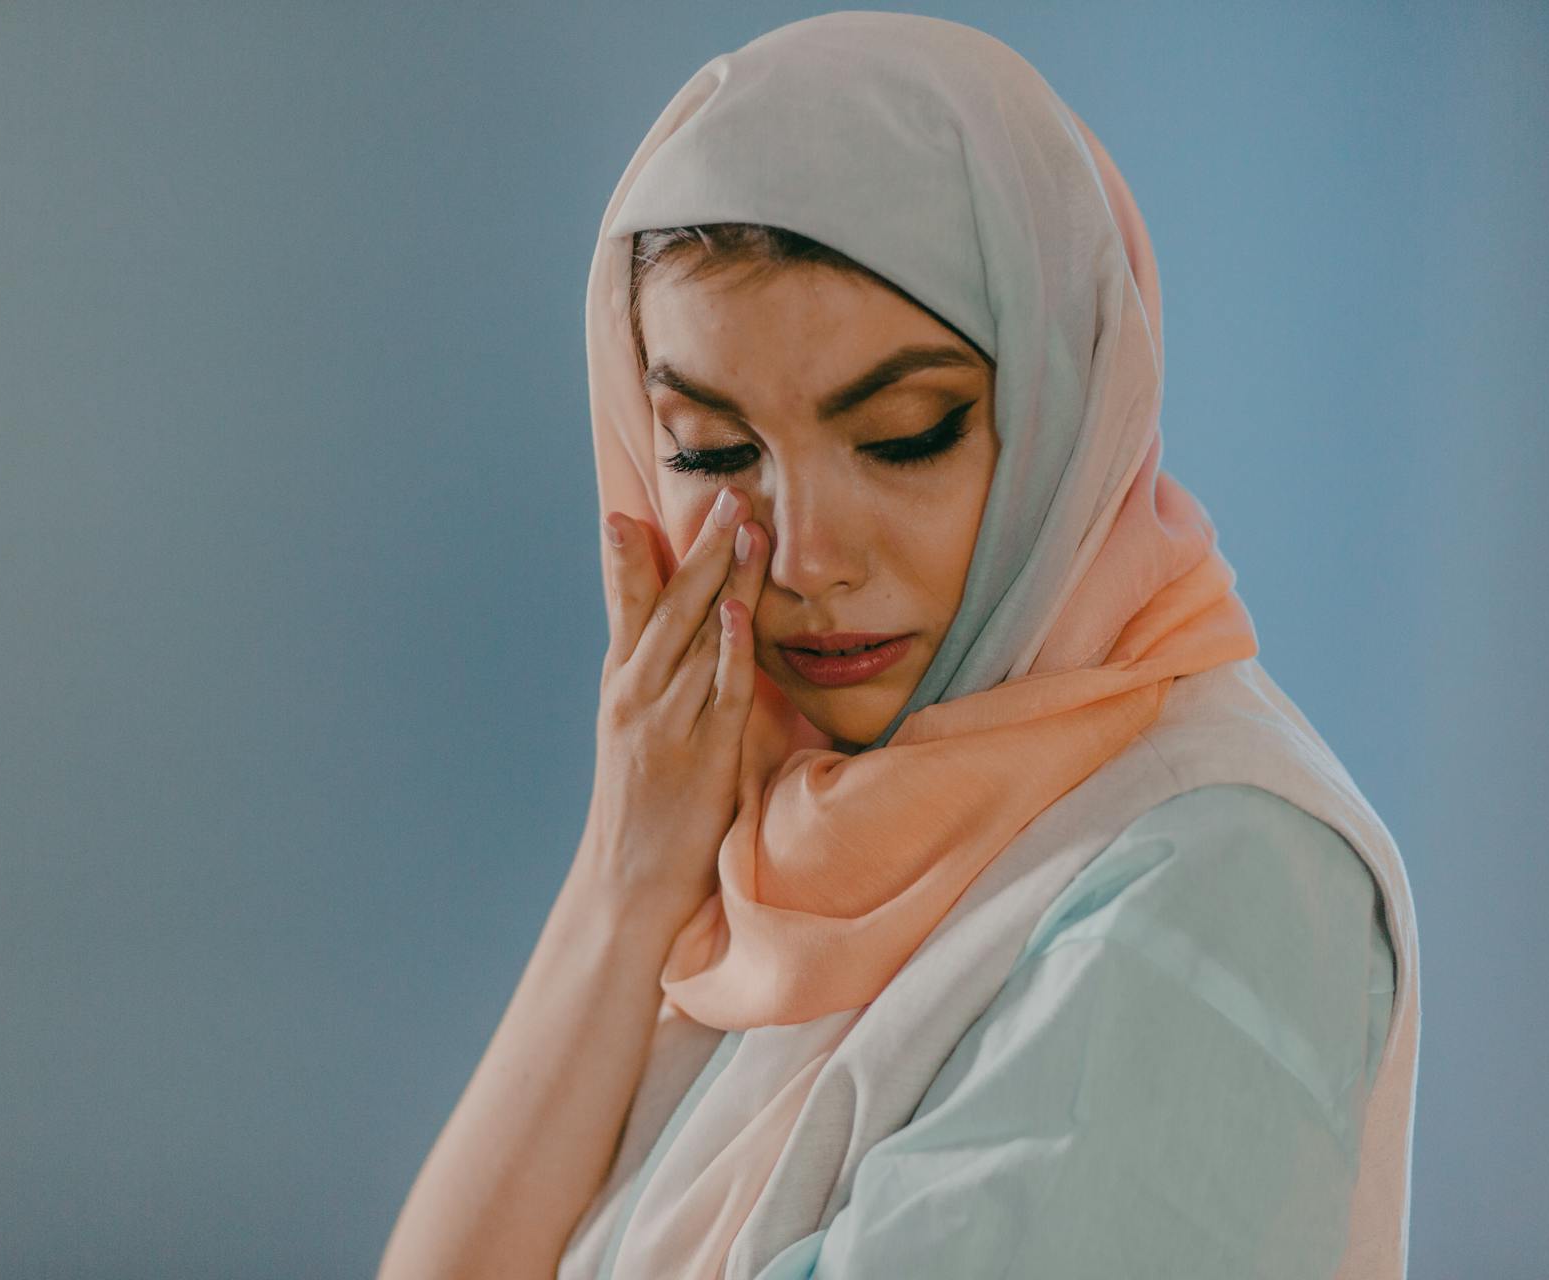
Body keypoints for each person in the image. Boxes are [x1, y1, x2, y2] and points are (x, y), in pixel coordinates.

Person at [379, 12, 1420, 1280]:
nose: (807, 556)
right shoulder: (783, 865)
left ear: (1064, 405)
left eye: (907, 432)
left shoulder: (1222, 875)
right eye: (711, 450)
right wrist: (624, 873)